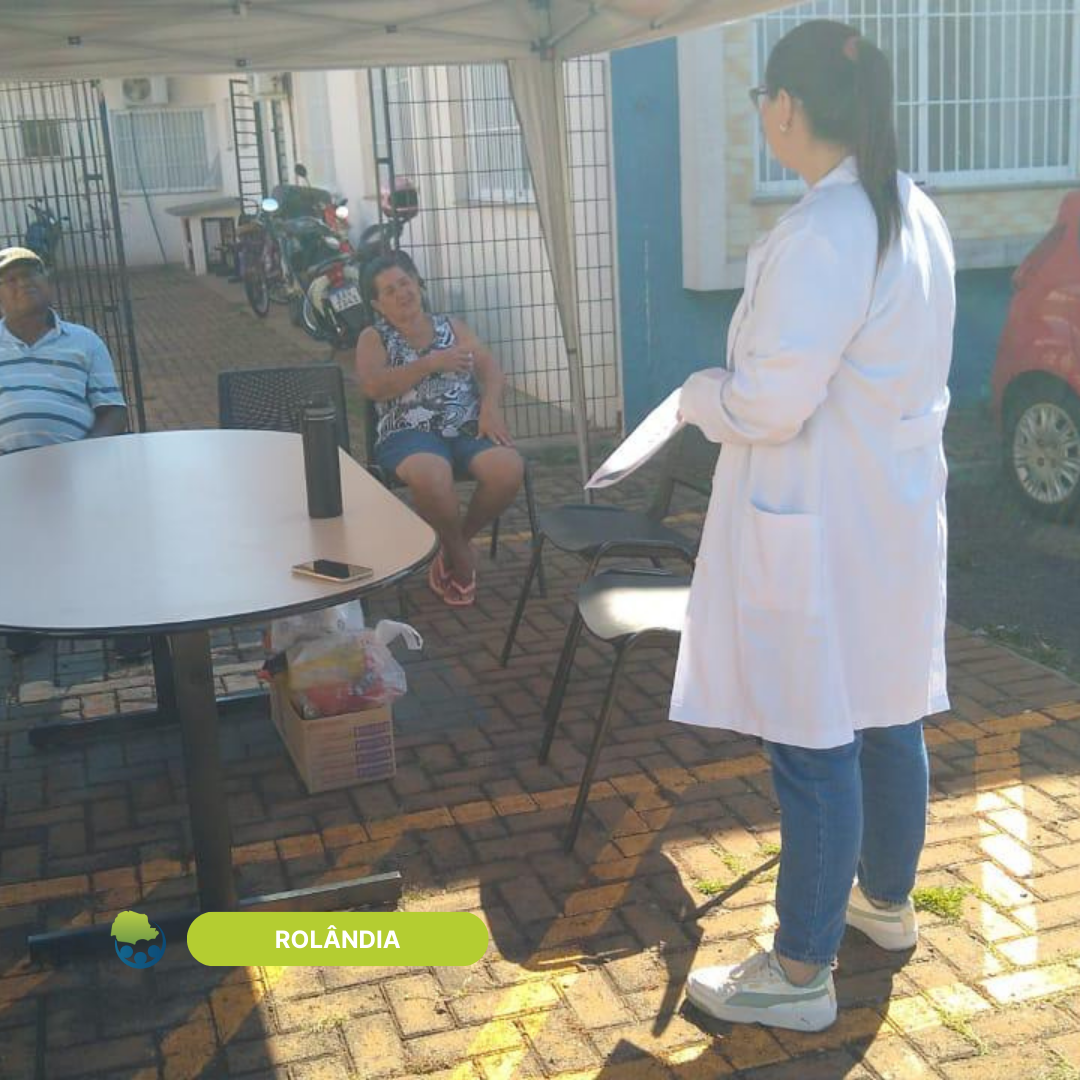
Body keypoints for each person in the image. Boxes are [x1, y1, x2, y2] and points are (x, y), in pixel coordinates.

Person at [670, 20, 956, 1032]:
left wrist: (699, 397)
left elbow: (769, 403)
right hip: (888, 515)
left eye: (763, 100)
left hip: (825, 523)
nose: (762, 115)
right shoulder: (913, 211)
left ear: (786, 107)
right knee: (886, 710)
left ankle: (799, 971)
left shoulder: (826, 231)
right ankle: (885, 904)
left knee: (814, 733)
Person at [0, 246, 146, 660]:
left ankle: (125, 623)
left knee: (110, 534)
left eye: (32, 274)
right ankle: (23, 619)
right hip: (8, 470)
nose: (24, 284)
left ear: (48, 282)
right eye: (10, 279)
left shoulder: (83, 341)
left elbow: (112, 410)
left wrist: (85, 457)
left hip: (76, 465)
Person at [354, 252, 524, 607]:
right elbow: (373, 387)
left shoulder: (453, 327)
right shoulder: (374, 337)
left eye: (405, 282)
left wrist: (490, 408)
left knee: (508, 468)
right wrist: (431, 363)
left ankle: (452, 547)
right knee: (432, 473)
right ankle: (461, 559)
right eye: (389, 291)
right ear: (378, 304)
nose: (402, 293)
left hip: (466, 426)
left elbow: (491, 369)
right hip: (407, 433)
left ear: (418, 283)